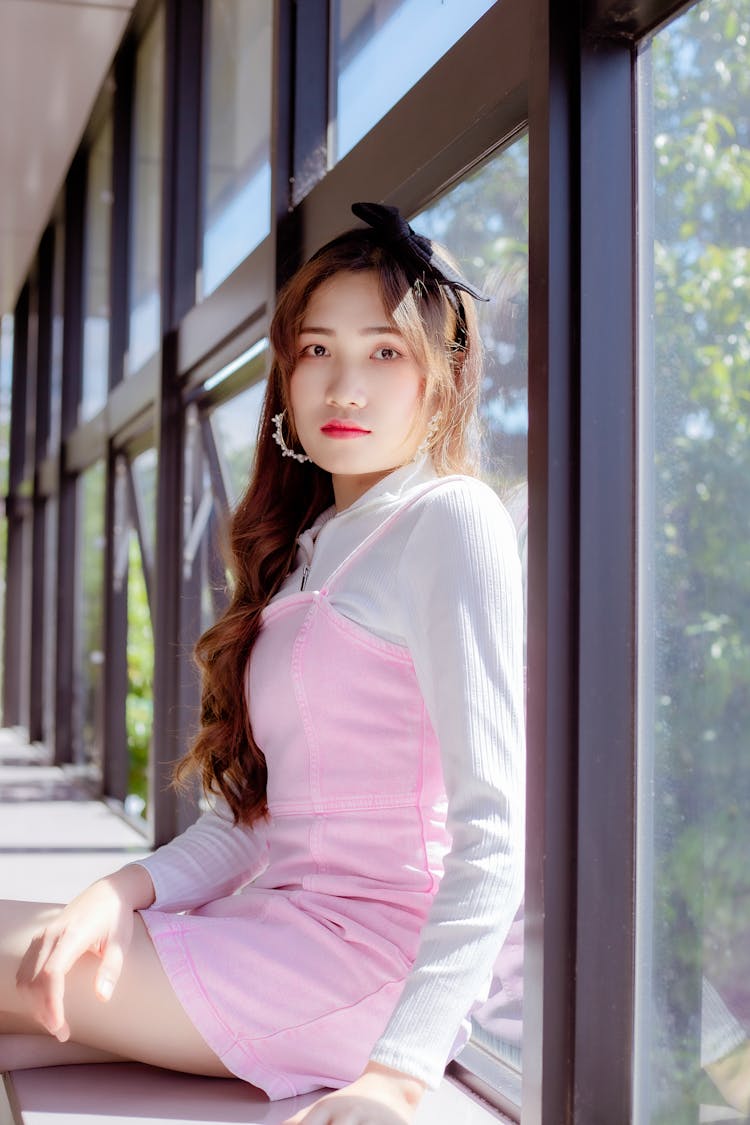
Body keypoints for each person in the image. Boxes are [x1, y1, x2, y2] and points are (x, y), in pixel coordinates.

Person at [0, 203, 526, 1124]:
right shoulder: (312, 545)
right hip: (266, 931)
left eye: (385, 353)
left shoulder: (451, 519)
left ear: (442, 378)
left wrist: (397, 1078)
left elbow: (493, 830)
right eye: (316, 351)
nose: (345, 387)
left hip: (360, 973)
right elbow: (252, 822)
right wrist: (109, 893)